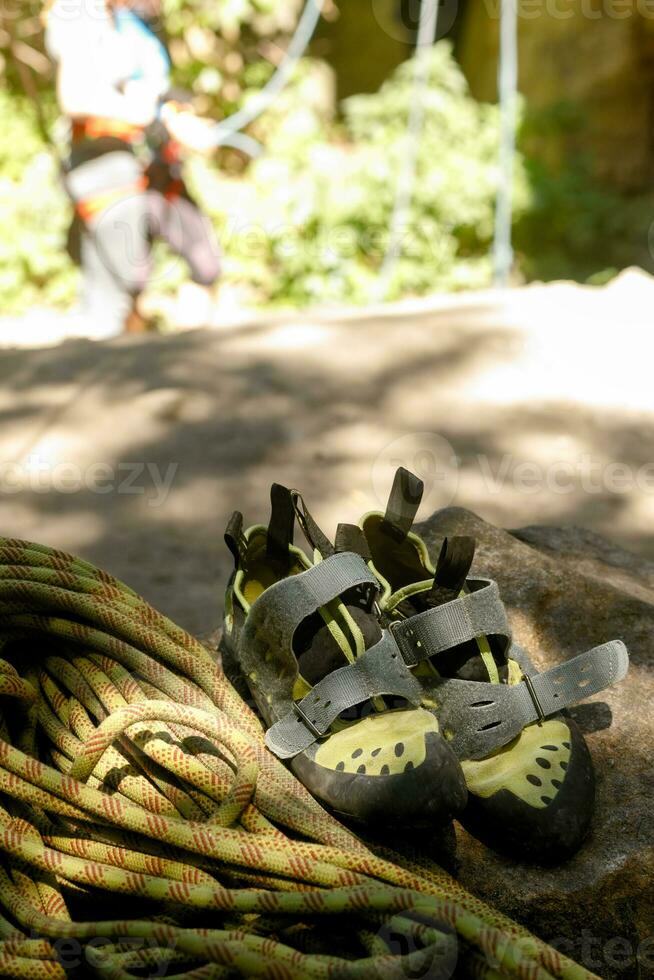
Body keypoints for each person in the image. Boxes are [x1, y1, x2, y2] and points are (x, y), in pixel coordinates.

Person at [44, 0, 222, 337]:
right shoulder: (80, 12)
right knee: (120, 295)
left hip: (150, 166)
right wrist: (146, 116)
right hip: (105, 169)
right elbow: (76, 98)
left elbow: (140, 87)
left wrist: (172, 113)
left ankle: (184, 368)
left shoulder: (126, 19)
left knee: (203, 260)